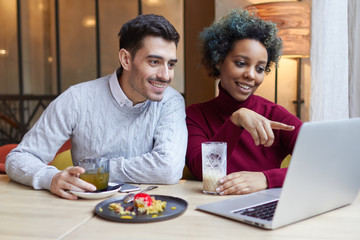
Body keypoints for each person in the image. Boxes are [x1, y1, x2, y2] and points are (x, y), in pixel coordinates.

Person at [6, 14, 188, 200]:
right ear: (126, 59)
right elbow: (19, 158)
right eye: (154, 62)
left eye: (171, 64)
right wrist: (50, 177)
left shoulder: (171, 102)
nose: (166, 75)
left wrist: (95, 170)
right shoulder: (77, 99)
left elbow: (168, 168)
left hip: (149, 211)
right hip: (83, 210)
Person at [186, 9, 302, 196]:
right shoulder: (196, 115)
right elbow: (201, 170)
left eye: (260, 68)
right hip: (209, 210)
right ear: (218, 61)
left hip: (264, 209)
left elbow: (321, 164)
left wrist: (265, 178)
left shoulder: (274, 114)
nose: (251, 75)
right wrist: (236, 120)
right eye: (241, 63)